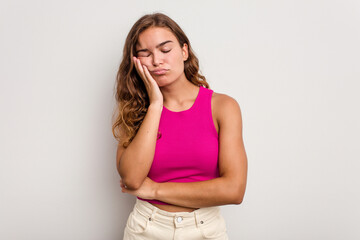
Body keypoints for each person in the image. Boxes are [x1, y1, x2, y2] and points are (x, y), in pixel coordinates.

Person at [112, 12, 248, 240]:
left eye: (165, 50)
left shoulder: (223, 107)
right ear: (135, 62)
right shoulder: (135, 111)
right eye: (145, 54)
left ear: (184, 51)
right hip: (146, 229)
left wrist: (154, 189)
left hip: (206, 230)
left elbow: (234, 190)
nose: (156, 61)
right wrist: (155, 104)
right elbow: (132, 180)